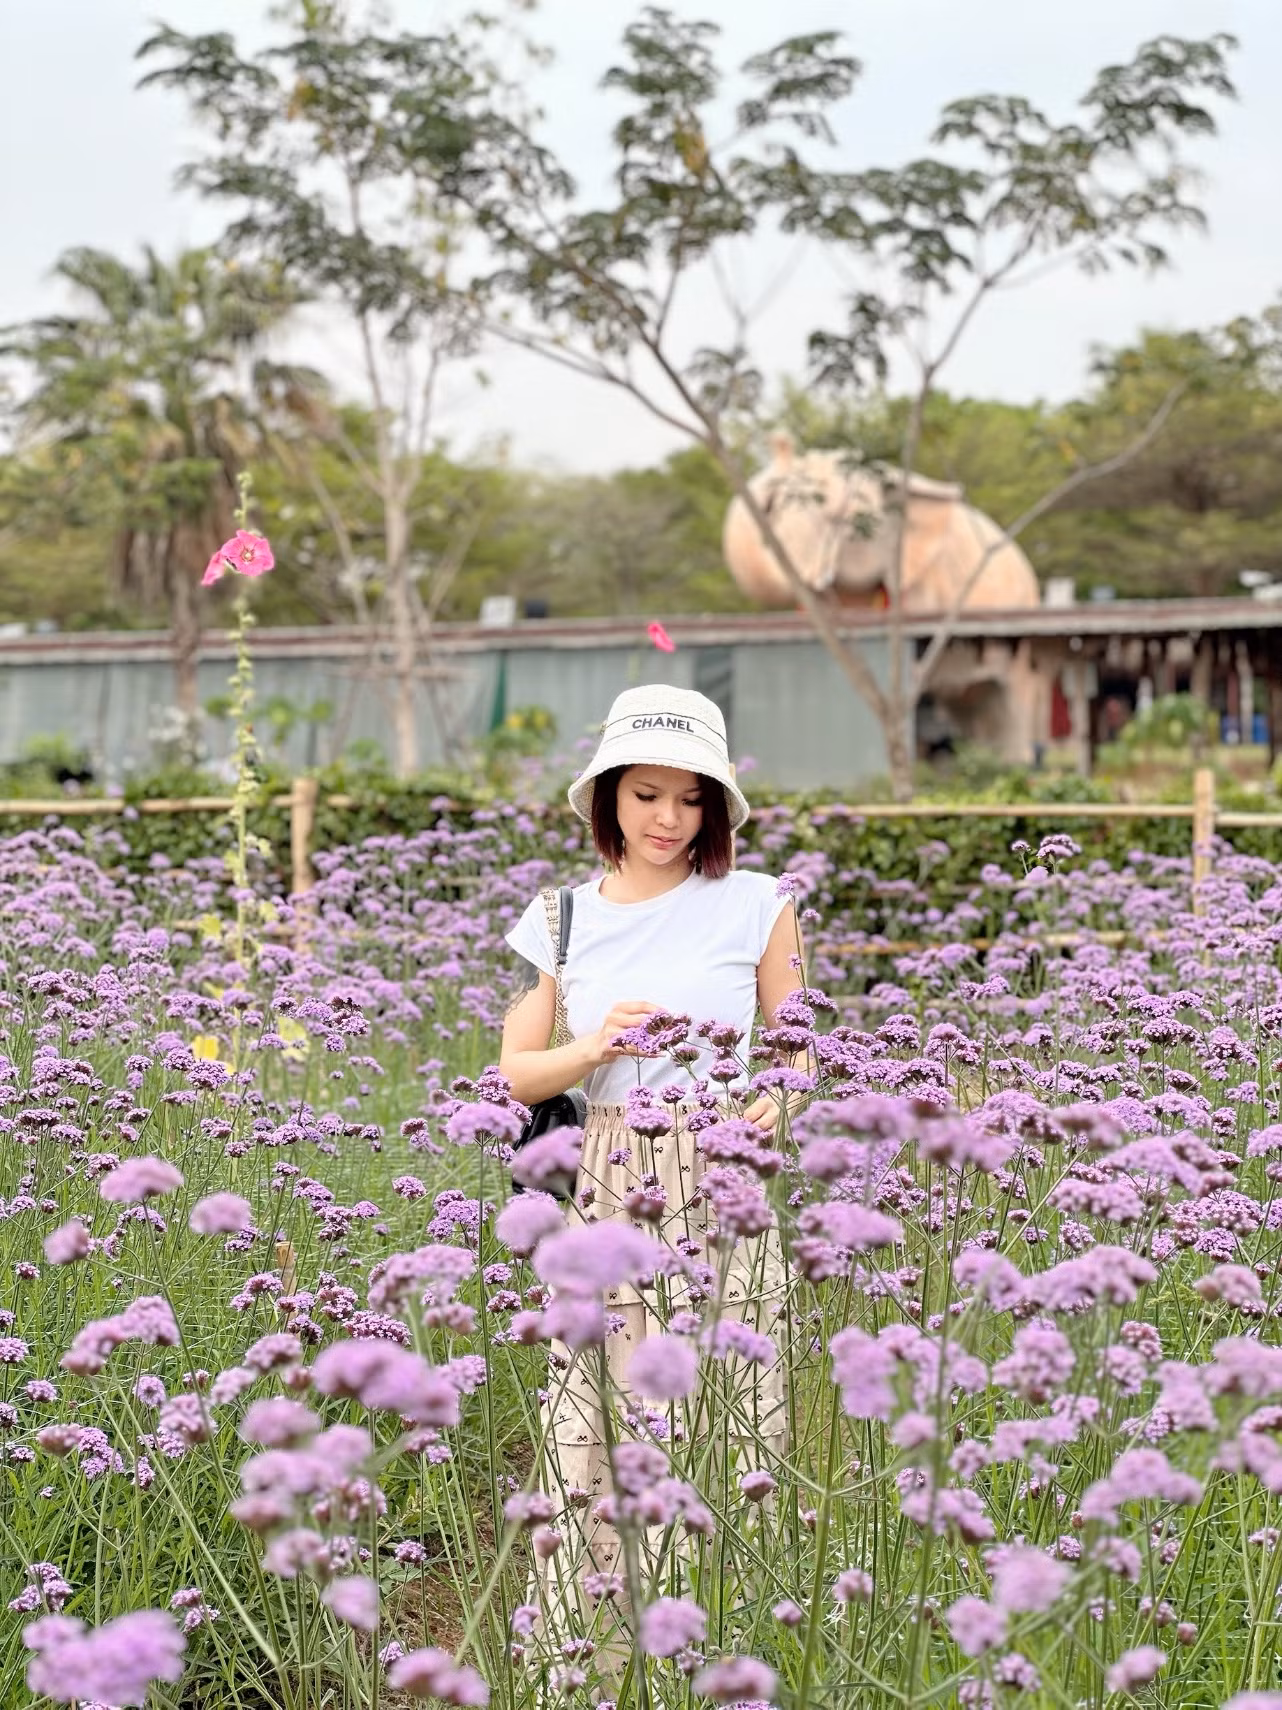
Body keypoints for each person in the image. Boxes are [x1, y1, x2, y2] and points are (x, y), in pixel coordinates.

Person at [500, 683, 805, 1639]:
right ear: (608, 798)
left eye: (690, 798)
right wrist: (594, 1046)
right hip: (607, 1179)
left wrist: (782, 1096)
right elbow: (516, 1072)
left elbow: (799, 1047)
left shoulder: (761, 903)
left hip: (723, 1175)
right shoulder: (560, 916)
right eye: (646, 795)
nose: (668, 818)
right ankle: (594, 1651)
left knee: (736, 1405)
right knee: (599, 1418)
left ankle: (727, 1647)